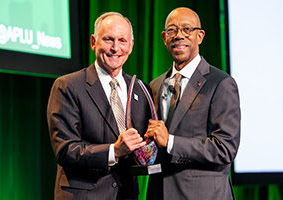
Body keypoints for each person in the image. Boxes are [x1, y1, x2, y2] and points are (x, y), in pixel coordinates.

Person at [47, 12, 152, 200]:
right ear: (93, 42)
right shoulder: (68, 86)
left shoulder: (140, 89)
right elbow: (66, 150)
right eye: (108, 39)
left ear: (131, 45)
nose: (115, 48)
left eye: (122, 40)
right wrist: (114, 151)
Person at [145, 7, 241, 200]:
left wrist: (171, 142)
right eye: (172, 30)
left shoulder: (221, 83)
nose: (179, 35)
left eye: (187, 29)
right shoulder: (154, 86)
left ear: (200, 36)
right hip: (159, 193)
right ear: (164, 38)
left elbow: (224, 149)